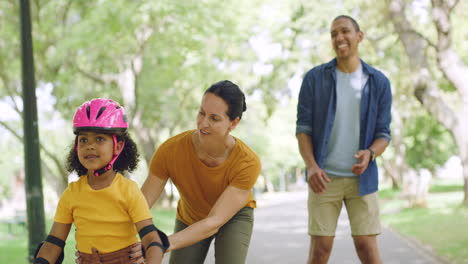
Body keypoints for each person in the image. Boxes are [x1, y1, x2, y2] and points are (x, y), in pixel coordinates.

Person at [296, 15, 392, 264]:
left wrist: (370, 153)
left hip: (362, 178)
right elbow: (303, 128)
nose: (339, 38)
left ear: (359, 36)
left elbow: (383, 133)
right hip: (323, 178)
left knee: (367, 249)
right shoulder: (314, 79)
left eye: (345, 31)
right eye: (333, 34)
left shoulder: (378, 82)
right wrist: (312, 166)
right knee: (320, 250)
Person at [33, 98, 169, 264]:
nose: (90, 146)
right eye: (83, 140)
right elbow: (53, 244)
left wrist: (154, 255)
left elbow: (151, 238)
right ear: (76, 147)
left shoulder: (128, 190)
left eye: (99, 139)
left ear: (117, 147)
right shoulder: (72, 194)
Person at [141, 80, 261, 264]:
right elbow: (141, 205)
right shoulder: (170, 150)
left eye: (214, 118)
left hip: (233, 217)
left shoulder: (247, 162)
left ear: (233, 123)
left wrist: (162, 243)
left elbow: (214, 221)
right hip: (191, 216)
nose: (203, 123)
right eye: (201, 113)